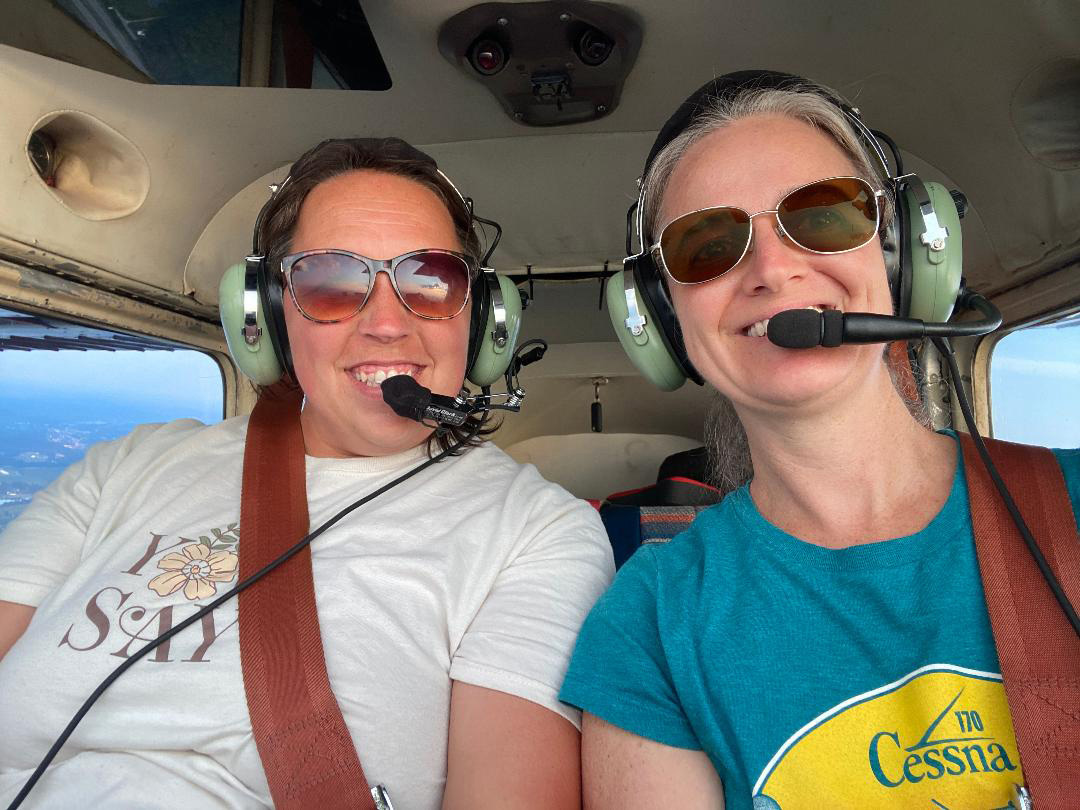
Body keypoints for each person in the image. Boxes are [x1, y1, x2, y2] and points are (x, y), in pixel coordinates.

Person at [0, 138, 614, 809]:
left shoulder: (535, 532)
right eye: (330, 281)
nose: (387, 323)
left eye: (431, 280)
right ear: (267, 310)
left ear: (481, 316)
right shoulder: (126, 466)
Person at [559, 72, 1080, 809]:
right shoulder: (649, 627)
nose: (774, 270)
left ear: (901, 254)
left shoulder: (1074, 508)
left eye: (825, 215)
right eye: (708, 245)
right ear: (662, 317)